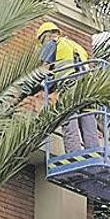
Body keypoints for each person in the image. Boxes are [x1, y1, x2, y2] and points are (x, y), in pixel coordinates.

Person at [37, 22, 100, 153]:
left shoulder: (52, 43)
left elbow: (44, 69)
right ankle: (93, 153)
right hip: (86, 88)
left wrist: (40, 87)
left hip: (69, 85)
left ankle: (73, 155)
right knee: (88, 121)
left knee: (69, 119)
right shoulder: (76, 46)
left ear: (46, 35)